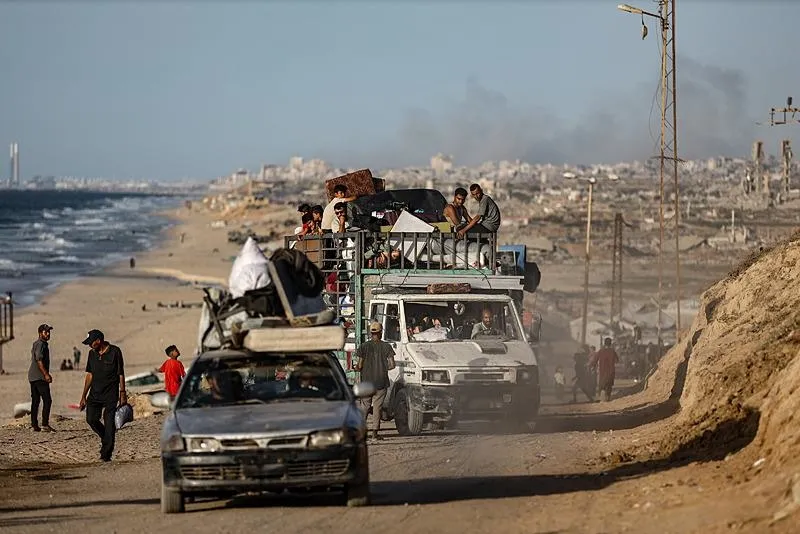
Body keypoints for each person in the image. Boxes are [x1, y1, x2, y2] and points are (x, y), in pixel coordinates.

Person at [79, 329, 126, 462]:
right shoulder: (91, 354)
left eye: (91, 343)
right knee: (91, 419)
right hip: (94, 394)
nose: (89, 345)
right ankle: (106, 438)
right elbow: (90, 375)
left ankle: (106, 455)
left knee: (109, 423)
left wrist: (123, 393)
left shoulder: (115, 352)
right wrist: (83, 396)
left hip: (111, 394)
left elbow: (121, 373)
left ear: (99, 341)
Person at [354, 322, 395, 441]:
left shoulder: (364, 346)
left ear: (370, 333)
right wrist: (383, 367)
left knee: (365, 406)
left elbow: (360, 365)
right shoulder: (386, 347)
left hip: (366, 382)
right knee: (377, 407)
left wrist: (356, 368)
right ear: (381, 332)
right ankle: (375, 434)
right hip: (381, 382)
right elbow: (392, 365)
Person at [29, 324, 55, 432]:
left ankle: (34, 425)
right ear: (40, 333)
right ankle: (44, 425)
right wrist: (46, 374)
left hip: (32, 376)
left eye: (49, 332)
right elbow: (39, 360)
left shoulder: (37, 343)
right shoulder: (41, 345)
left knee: (35, 401)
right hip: (39, 377)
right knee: (47, 400)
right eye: (46, 332)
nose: (48, 334)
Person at [589, 337, 620, 402]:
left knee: (602, 386)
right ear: (610, 344)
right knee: (609, 386)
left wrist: (592, 366)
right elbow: (617, 360)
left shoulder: (601, 351)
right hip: (611, 372)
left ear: (604, 343)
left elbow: (595, 361)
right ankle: (607, 397)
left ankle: (602, 398)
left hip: (602, 372)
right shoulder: (612, 351)